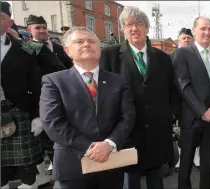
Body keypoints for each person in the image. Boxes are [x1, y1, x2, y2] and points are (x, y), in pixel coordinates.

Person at [39, 27, 134, 189]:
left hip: (110, 163)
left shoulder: (118, 81)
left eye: (91, 42)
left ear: (100, 49)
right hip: (72, 165)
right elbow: (52, 122)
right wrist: (88, 148)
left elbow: (128, 116)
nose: (86, 45)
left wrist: (109, 143)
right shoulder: (54, 81)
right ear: (68, 50)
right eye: (79, 42)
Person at [99, 6, 179, 189]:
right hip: (127, 131)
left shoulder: (162, 58)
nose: (134, 28)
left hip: (157, 131)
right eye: (129, 24)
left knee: (156, 178)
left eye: (139, 23)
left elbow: (172, 90)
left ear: (146, 28)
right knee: (130, 179)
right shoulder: (110, 55)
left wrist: (170, 114)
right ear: (122, 29)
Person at [173, 16, 210, 189]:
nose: (207, 32)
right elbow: (183, 85)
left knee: (208, 163)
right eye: (203, 28)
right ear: (194, 30)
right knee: (186, 162)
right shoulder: (183, 53)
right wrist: (202, 110)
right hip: (191, 118)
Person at [24, 14, 73, 184]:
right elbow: (29, 78)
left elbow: (70, 68)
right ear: (29, 30)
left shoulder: (59, 48)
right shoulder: (28, 49)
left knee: (65, 134)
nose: (42, 30)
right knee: (49, 140)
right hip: (44, 99)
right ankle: (55, 177)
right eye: (38, 28)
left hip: (67, 97)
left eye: (44, 27)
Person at [1, 3, 44, 188]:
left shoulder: (25, 48)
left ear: (10, 22)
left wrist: (38, 115)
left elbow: (36, 82)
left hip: (19, 111)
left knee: (27, 171)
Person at [171, 27, 195, 172]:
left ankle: (196, 156)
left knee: (197, 130)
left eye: (188, 38)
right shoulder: (170, 57)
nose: (186, 40)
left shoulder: (197, 56)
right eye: (183, 38)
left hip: (194, 101)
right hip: (177, 100)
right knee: (178, 132)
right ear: (177, 41)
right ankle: (181, 158)